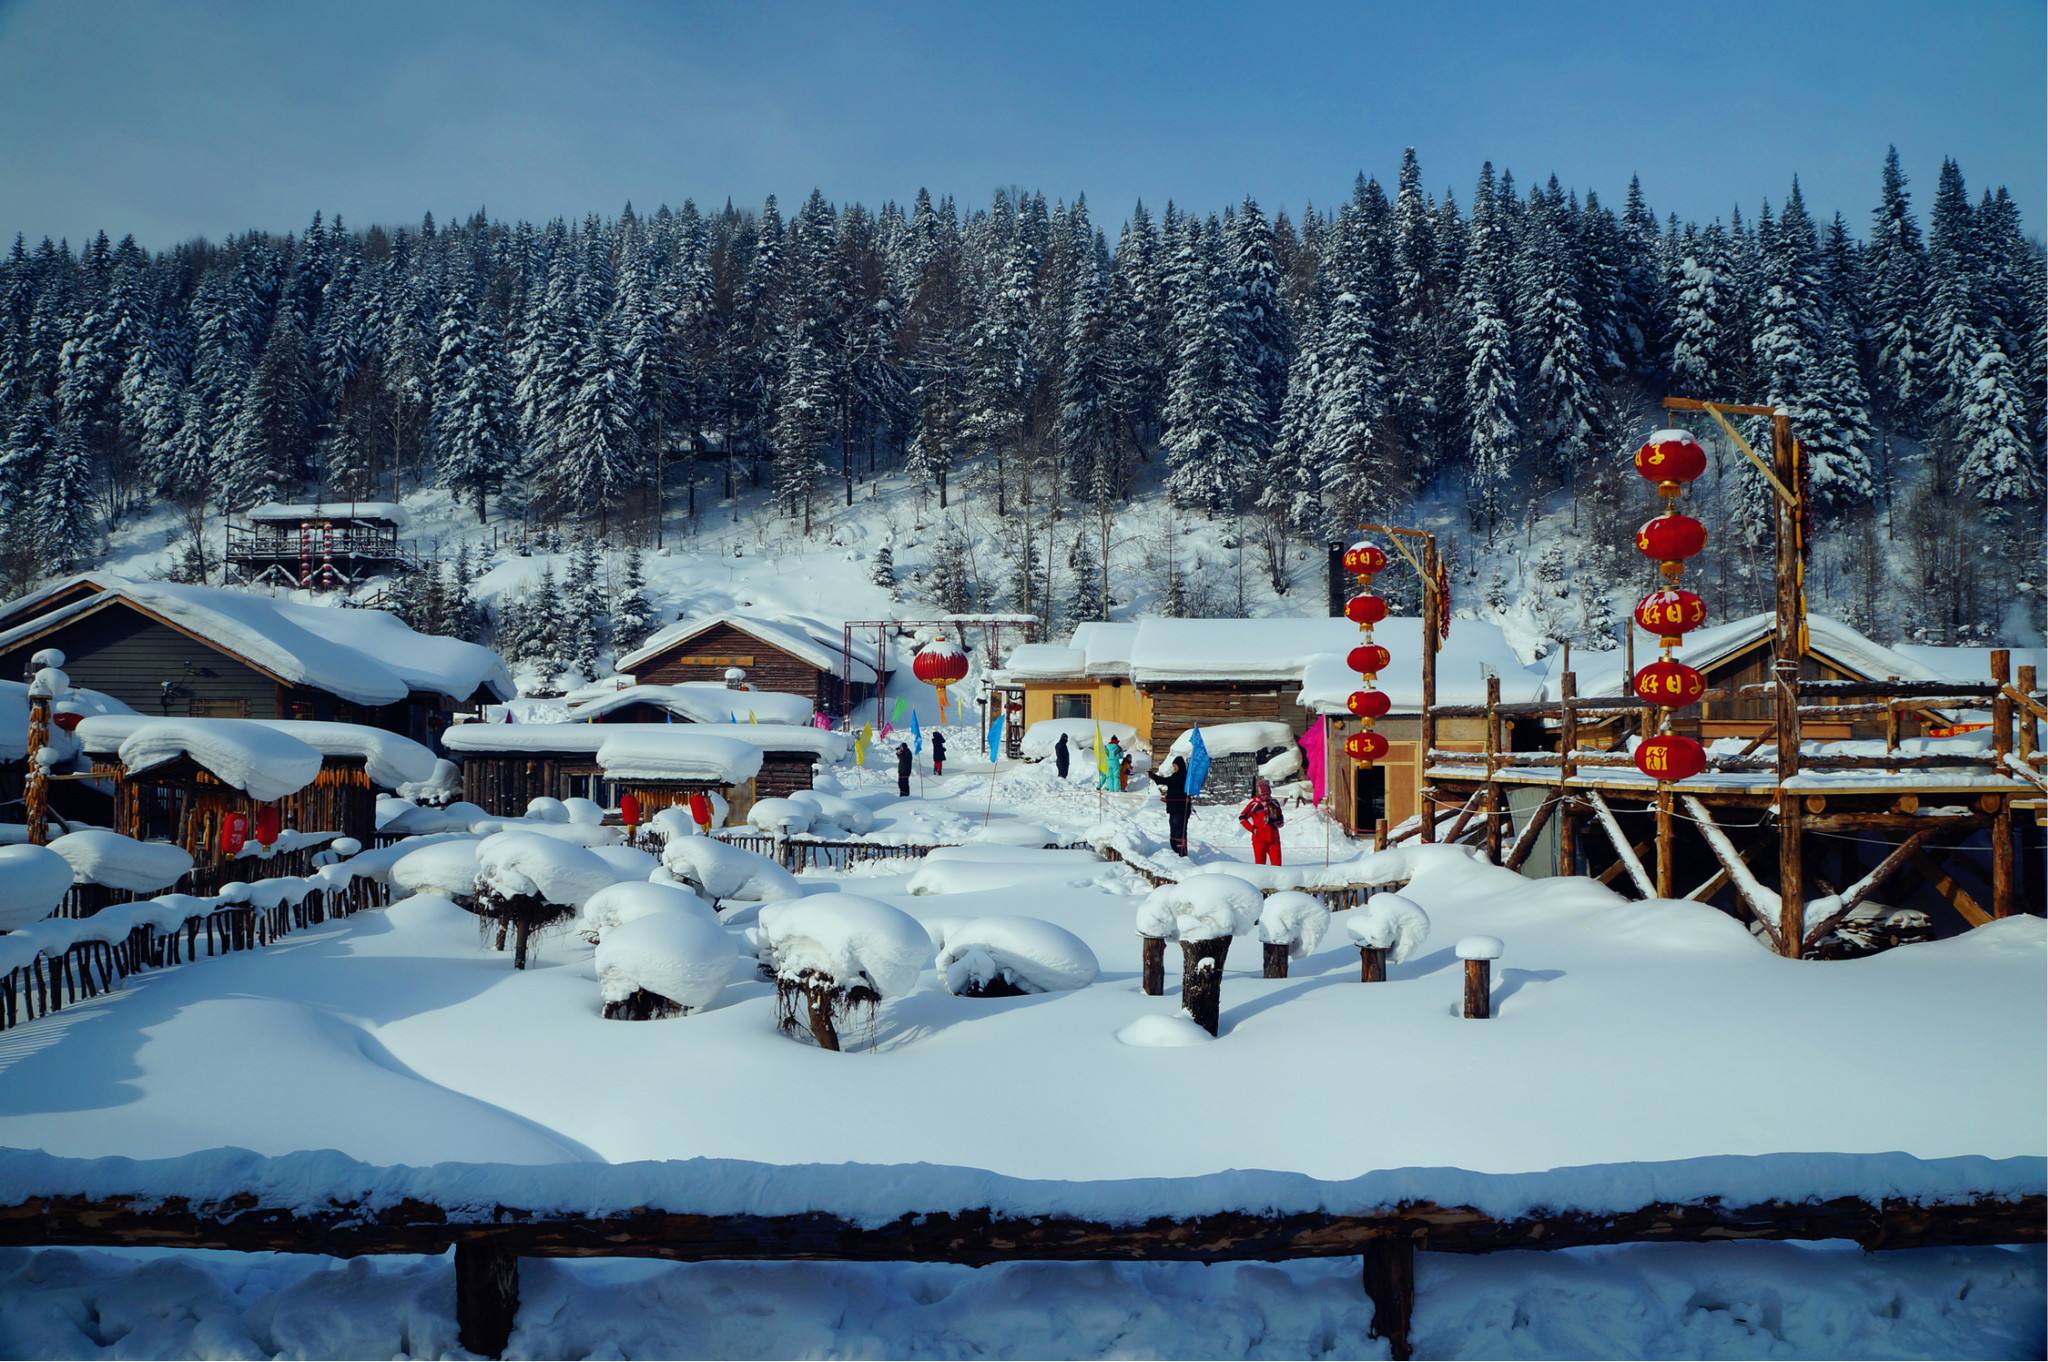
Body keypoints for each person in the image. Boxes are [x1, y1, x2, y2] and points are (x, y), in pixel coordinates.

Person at [1149, 754, 1192, 858]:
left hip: (1181, 809)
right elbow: (1174, 790)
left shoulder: (1183, 776)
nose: (1174, 768)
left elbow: (1168, 782)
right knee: (1173, 830)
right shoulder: (1175, 775)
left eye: (1175, 765)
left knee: (1179, 831)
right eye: (1173, 766)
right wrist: (1168, 799)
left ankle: (1182, 853)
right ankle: (1175, 851)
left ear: (1180, 765)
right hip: (1173, 808)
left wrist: (1154, 776)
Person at [1239, 778, 1285, 866]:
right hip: (1259, 840)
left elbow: (1280, 815)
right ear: (1258, 794)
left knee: (1277, 866)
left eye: (1267, 794)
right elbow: (1242, 818)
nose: (1266, 796)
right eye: (1263, 795)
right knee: (1260, 866)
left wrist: (1279, 822)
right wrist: (1252, 829)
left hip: (1274, 839)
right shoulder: (1254, 804)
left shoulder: (1274, 803)